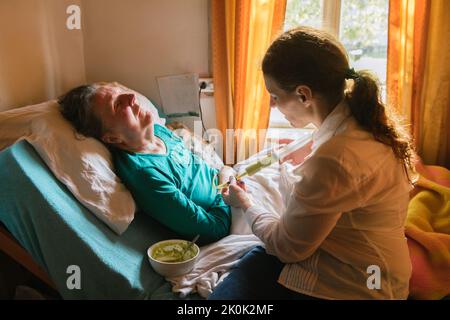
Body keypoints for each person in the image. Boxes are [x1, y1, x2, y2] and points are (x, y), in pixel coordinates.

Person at [209, 26, 416, 300]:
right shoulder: (357, 122)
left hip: (360, 284)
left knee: (257, 260)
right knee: (255, 257)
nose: (271, 105)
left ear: (303, 95)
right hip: (371, 265)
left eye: (274, 96)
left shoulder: (335, 156)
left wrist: (245, 202)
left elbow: (286, 248)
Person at [58, 82, 235, 245]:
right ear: (112, 137)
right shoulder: (146, 174)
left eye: (123, 93)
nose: (132, 97)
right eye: (118, 104)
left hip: (231, 187)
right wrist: (224, 182)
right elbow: (214, 230)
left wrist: (224, 174)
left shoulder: (158, 131)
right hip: (229, 211)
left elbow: (200, 171)